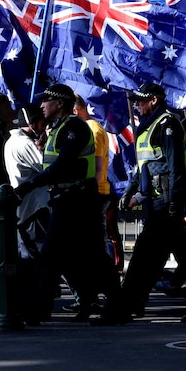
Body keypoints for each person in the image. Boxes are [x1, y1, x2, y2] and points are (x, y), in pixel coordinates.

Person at [14, 83, 129, 325]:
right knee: (83, 257)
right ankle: (101, 305)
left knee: (53, 256)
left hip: (76, 201)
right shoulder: (59, 128)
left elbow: (64, 164)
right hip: (66, 199)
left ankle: (34, 310)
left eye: (46, 101)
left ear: (60, 104)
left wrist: (30, 184)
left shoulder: (74, 127)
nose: (42, 105)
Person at [120, 82, 186, 323]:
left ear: (153, 100)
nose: (137, 105)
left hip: (165, 202)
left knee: (147, 255)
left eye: (141, 101)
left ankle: (124, 306)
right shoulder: (147, 127)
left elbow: (175, 167)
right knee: (175, 257)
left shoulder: (167, 123)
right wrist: (129, 193)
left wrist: (173, 203)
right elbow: (143, 168)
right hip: (156, 201)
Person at [2, 103, 50, 324]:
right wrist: (44, 146)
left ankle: (35, 307)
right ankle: (35, 309)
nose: (45, 126)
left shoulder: (15, 141)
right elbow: (47, 167)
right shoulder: (23, 143)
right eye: (42, 122)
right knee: (36, 261)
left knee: (32, 259)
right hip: (35, 209)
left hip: (28, 209)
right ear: (32, 124)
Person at [74, 94, 124, 275]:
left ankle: (110, 272)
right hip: (93, 190)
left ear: (75, 111)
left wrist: (90, 191)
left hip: (97, 191)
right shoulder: (88, 128)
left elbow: (96, 165)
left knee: (102, 236)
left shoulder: (92, 130)